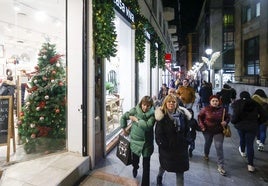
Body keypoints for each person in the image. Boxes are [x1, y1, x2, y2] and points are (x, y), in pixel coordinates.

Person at [155, 94, 191, 186]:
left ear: (176, 103)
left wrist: (187, 141)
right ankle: (159, 177)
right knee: (164, 166)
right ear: (165, 103)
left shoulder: (182, 115)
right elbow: (158, 134)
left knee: (180, 173)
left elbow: (187, 130)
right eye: (169, 102)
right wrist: (164, 145)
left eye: (173, 102)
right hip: (167, 149)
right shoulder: (162, 116)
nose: (171, 103)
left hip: (181, 149)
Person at [120, 95, 155, 186]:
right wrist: (124, 128)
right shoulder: (135, 110)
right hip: (135, 142)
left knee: (146, 166)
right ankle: (135, 168)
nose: (145, 107)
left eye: (148, 106)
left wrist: (136, 119)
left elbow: (147, 126)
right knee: (135, 161)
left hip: (147, 143)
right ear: (141, 104)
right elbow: (124, 117)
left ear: (151, 106)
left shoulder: (152, 114)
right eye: (144, 105)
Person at [231, 91, 267, 172]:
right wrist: (258, 122)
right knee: (250, 145)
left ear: (240, 96)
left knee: (242, 139)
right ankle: (250, 165)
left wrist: (233, 121)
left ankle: (243, 151)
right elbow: (264, 116)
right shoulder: (255, 104)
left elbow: (235, 116)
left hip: (240, 126)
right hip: (252, 127)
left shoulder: (237, 103)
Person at [198, 95, 230, 176]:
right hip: (207, 130)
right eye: (213, 101)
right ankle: (206, 153)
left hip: (218, 131)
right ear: (210, 102)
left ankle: (221, 166)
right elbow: (199, 117)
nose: (215, 102)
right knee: (208, 143)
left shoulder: (223, 110)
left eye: (216, 101)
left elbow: (228, 117)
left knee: (219, 146)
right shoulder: (205, 109)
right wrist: (202, 127)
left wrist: (226, 122)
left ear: (219, 102)